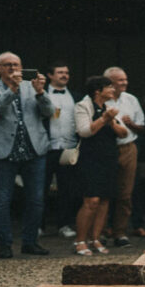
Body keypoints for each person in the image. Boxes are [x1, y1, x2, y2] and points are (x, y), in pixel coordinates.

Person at [0, 52, 52, 258]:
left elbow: (48, 112)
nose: (12, 68)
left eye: (16, 64)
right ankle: (4, 244)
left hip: (33, 149)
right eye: (7, 65)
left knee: (36, 199)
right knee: (2, 199)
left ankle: (30, 242)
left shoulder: (32, 87)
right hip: (3, 152)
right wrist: (12, 89)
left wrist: (40, 93)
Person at [72, 75, 128, 255]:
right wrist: (103, 119)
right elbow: (84, 131)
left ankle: (95, 238)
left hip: (109, 158)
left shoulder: (109, 108)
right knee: (91, 200)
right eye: (109, 87)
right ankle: (80, 240)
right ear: (98, 91)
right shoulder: (83, 106)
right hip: (90, 158)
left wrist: (111, 120)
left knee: (104, 200)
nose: (113, 90)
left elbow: (123, 133)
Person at [102, 66, 145, 248]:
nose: (125, 83)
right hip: (106, 149)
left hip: (128, 148)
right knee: (103, 192)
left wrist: (131, 124)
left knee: (125, 193)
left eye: (125, 79)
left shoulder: (131, 100)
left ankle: (120, 232)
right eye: (120, 80)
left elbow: (142, 127)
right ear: (110, 83)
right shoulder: (101, 101)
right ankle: (101, 232)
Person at [43, 63, 81, 239]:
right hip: (46, 147)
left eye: (66, 72)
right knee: (40, 188)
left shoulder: (76, 96)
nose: (64, 75)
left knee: (67, 188)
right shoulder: (41, 94)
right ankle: (38, 225)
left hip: (68, 148)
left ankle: (64, 224)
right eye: (60, 72)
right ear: (50, 75)